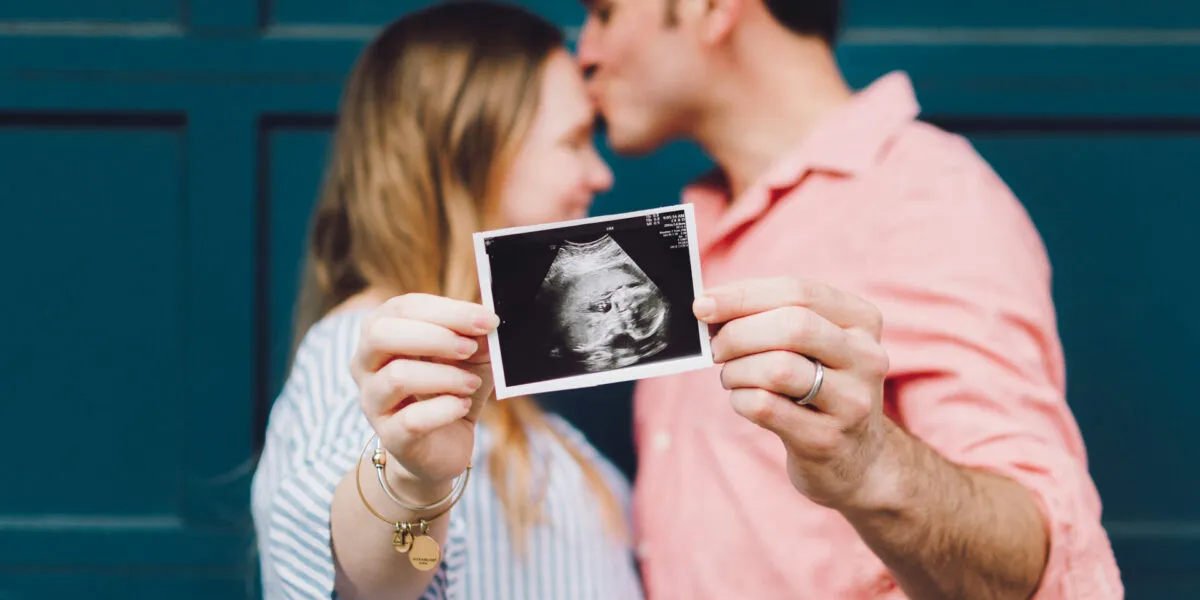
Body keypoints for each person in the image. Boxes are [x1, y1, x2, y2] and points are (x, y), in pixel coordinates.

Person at [577, 0, 1124, 598]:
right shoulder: (692, 228)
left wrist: (870, 465)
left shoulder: (926, 199)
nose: (585, 53)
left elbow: (1034, 558)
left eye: (605, 13)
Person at [250, 3, 643, 599]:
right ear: (469, 155)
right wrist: (413, 482)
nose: (600, 174)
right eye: (574, 141)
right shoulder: (372, 358)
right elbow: (359, 577)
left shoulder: (489, 380)